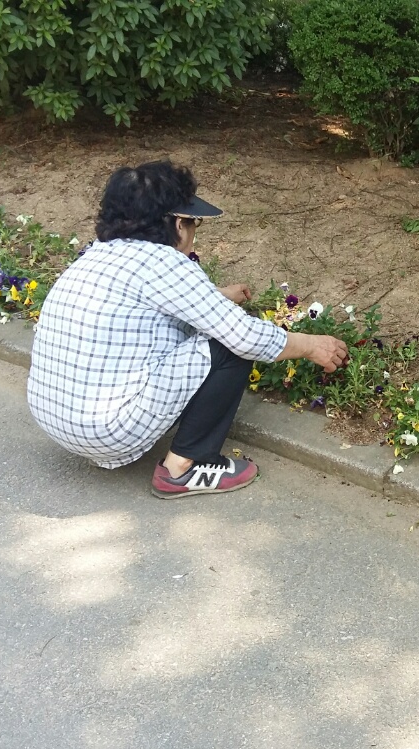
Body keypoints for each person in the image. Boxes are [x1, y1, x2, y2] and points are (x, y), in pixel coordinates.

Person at [27, 160, 347, 498]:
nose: (194, 233)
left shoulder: (98, 253)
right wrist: (312, 345)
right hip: (106, 430)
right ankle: (182, 468)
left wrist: (218, 295)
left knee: (213, 331)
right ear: (178, 223)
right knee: (228, 345)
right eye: (194, 222)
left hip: (54, 418)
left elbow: (151, 304)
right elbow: (245, 337)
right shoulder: (164, 262)